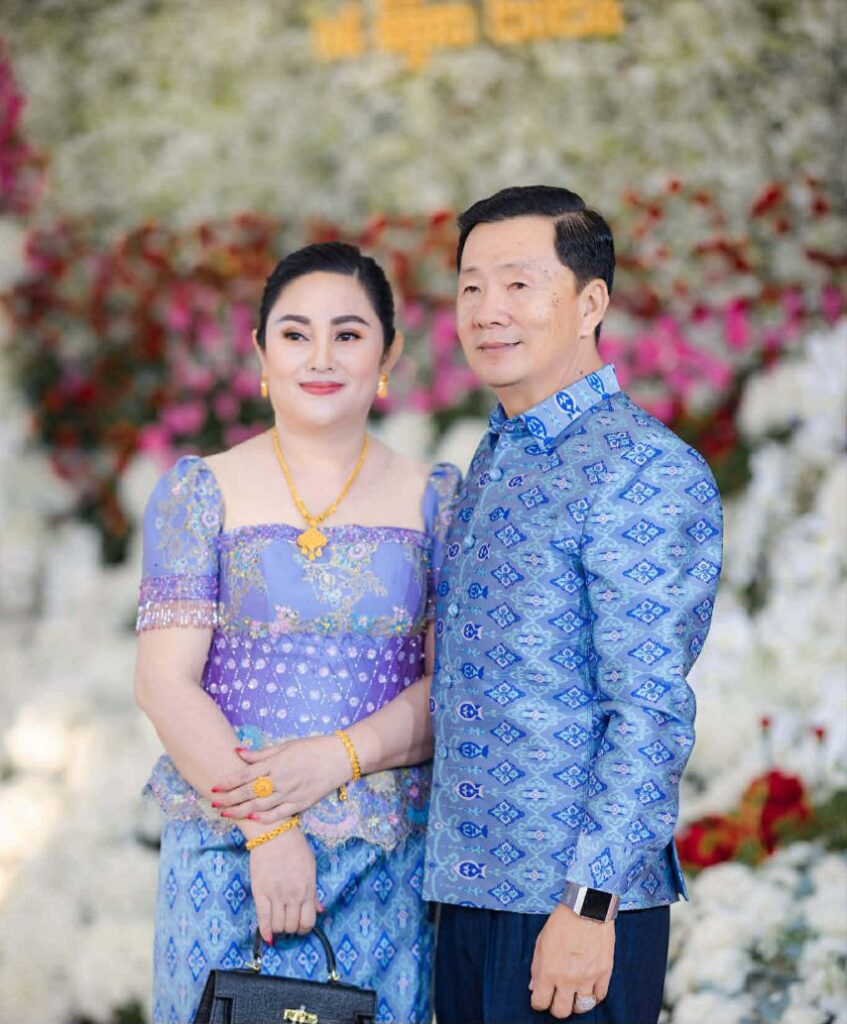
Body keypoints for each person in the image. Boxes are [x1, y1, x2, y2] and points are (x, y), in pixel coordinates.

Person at [134, 241, 460, 1024]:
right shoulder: (200, 491)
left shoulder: (437, 500)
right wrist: (268, 830)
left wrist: (337, 756)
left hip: (382, 854)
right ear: (260, 351)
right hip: (229, 844)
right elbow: (163, 682)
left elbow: (450, 687)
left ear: (388, 353)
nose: (320, 357)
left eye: (347, 333)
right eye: (294, 333)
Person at [423, 186, 723, 1024]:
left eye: (518, 284)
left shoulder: (642, 467)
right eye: (471, 286)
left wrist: (589, 906)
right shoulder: (497, 454)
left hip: (570, 906)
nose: (487, 309)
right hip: (467, 895)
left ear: (590, 303)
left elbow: (649, 710)